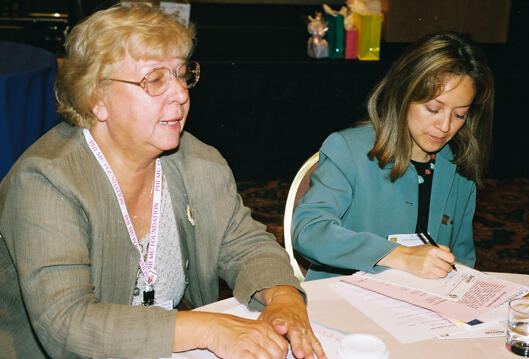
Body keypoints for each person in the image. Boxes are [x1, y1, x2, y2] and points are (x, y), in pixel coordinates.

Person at [0, 4, 326, 359]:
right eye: (154, 79)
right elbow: (67, 323)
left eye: (181, 73)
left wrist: (284, 297)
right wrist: (207, 328)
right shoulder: (46, 181)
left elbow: (246, 244)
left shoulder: (199, 162)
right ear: (97, 100)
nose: (181, 94)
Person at [292, 32, 494, 281]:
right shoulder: (348, 149)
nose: (445, 125)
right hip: (345, 299)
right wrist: (400, 256)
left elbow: (463, 261)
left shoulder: (458, 165)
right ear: (403, 95)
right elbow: (309, 232)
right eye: (433, 109)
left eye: (460, 114)